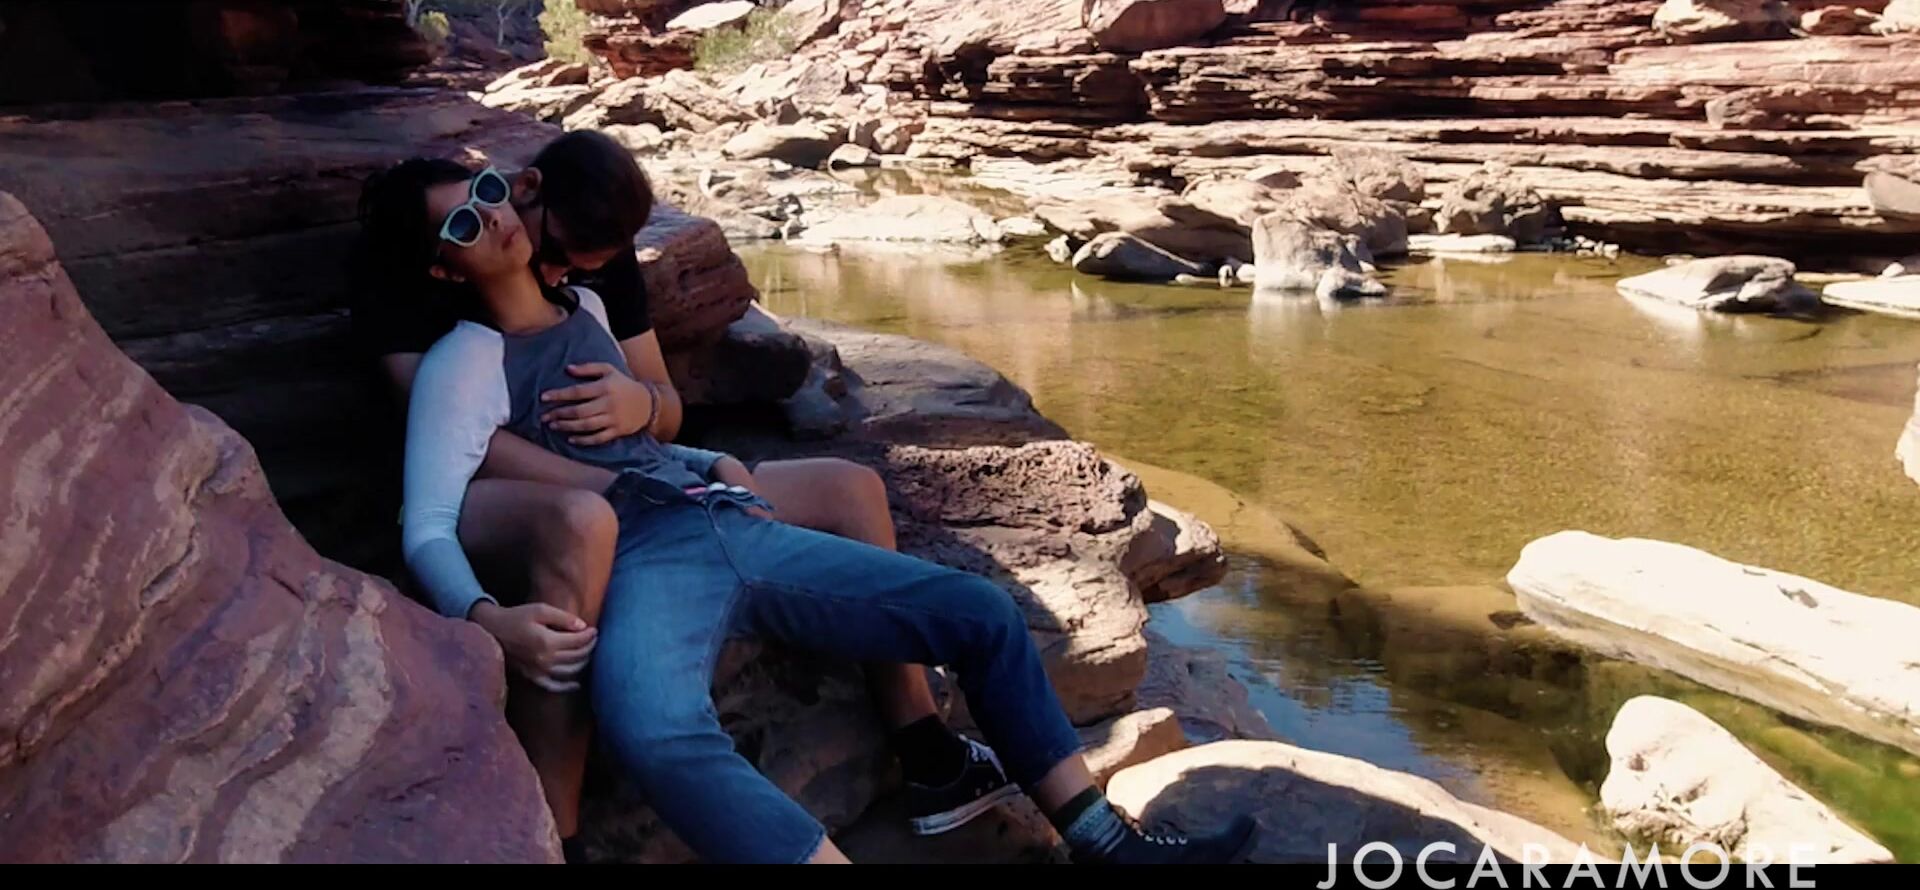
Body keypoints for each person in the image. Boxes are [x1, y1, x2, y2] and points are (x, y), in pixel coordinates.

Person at [358, 156, 1261, 865]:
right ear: (445, 266)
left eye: (490, 192)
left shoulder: (588, 303)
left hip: (720, 509)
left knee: (980, 612)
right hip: (641, 559)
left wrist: (692, 450)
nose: (499, 219)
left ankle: (1105, 844)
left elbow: (639, 437)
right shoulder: (464, 362)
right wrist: (486, 619)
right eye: (468, 223)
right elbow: (429, 521)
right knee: (659, 731)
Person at [351, 132, 1019, 856]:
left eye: (488, 198)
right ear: (530, 191)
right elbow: (452, 438)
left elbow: (665, 409)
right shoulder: (440, 315)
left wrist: (649, 413)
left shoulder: (591, 283)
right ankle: (559, 829)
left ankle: (923, 744)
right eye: (570, 249)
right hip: (531, 495)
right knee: (584, 528)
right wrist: (604, 486)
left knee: (852, 488)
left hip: (649, 478)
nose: (578, 267)